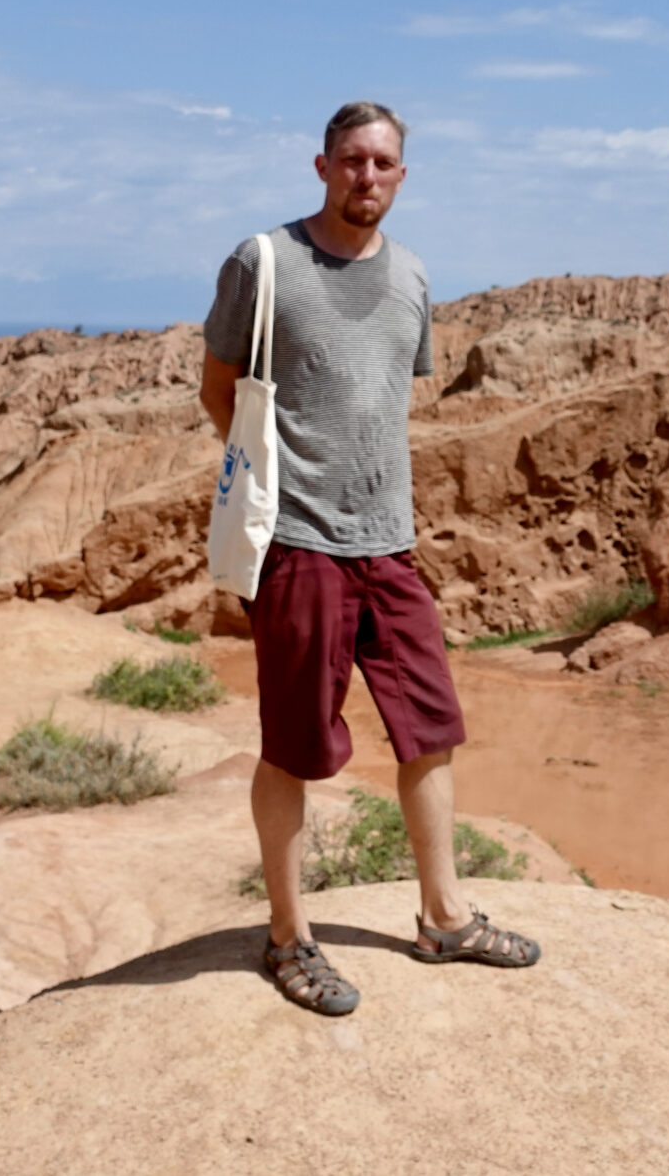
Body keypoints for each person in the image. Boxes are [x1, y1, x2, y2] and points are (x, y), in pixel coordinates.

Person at [199, 100, 541, 1017]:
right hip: (301, 543)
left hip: (391, 542)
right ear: (321, 166)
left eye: (383, 163)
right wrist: (273, 480)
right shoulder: (263, 262)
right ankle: (287, 937)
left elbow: (386, 395)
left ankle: (445, 916)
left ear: (402, 175)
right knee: (297, 746)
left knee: (430, 728)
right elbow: (217, 385)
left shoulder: (415, 276)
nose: (367, 177)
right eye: (352, 160)